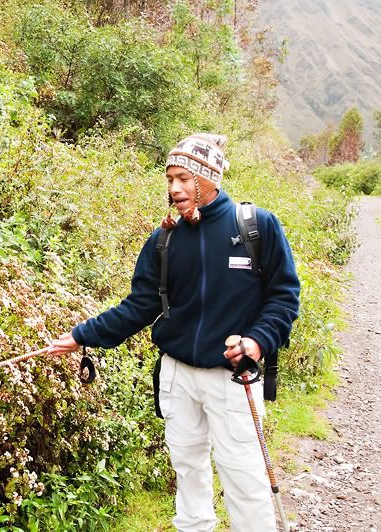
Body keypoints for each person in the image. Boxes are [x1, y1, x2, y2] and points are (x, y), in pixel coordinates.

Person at [46, 133, 300, 532]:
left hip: (234, 379)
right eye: (169, 179)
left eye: (183, 178)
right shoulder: (164, 239)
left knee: (243, 474)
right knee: (187, 466)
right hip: (177, 376)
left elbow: (284, 298)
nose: (174, 188)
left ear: (209, 177)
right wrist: (82, 335)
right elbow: (139, 306)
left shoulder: (256, 227)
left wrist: (255, 341)